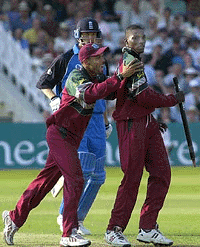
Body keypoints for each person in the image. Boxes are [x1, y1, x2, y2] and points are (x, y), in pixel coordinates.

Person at [2, 42, 138, 247]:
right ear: (86, 61)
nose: (103, 61)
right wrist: (119, 77)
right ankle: (69, 233)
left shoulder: (96, 76)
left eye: (102, 56)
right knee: (75, 179)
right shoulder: (76, 77)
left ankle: (14, 218)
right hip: (60, 135)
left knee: (43, 184)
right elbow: (91, 94)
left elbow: (110, 90)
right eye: (98, 57)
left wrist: (125, 72)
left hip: (71, 138)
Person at [104, 24, 185, 246]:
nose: (141, 41)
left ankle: (147, 227)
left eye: (143, 37)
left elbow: (139, 100)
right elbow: (143, 97)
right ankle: (114, 229)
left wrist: (150, 118)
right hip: (132, 124)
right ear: (125, 42)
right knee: (132, 178)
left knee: (161, 173)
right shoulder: (130, 62)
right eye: (135, 38)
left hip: (144, 122)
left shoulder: (135, 62)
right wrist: (171, 99)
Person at [36, 17, 112, 235]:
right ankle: (65, 216)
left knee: (98, 177)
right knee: (83, 171)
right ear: (78, 36)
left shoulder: (100, 60)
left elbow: (103, 92)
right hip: (77, 119)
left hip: (97, 119)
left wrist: (106, 121)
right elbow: (44, 83)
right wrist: (53, 99)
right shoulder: (67, 58)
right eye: (85, 35)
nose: (89, 39)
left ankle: (77, 219)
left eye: (92, 35)